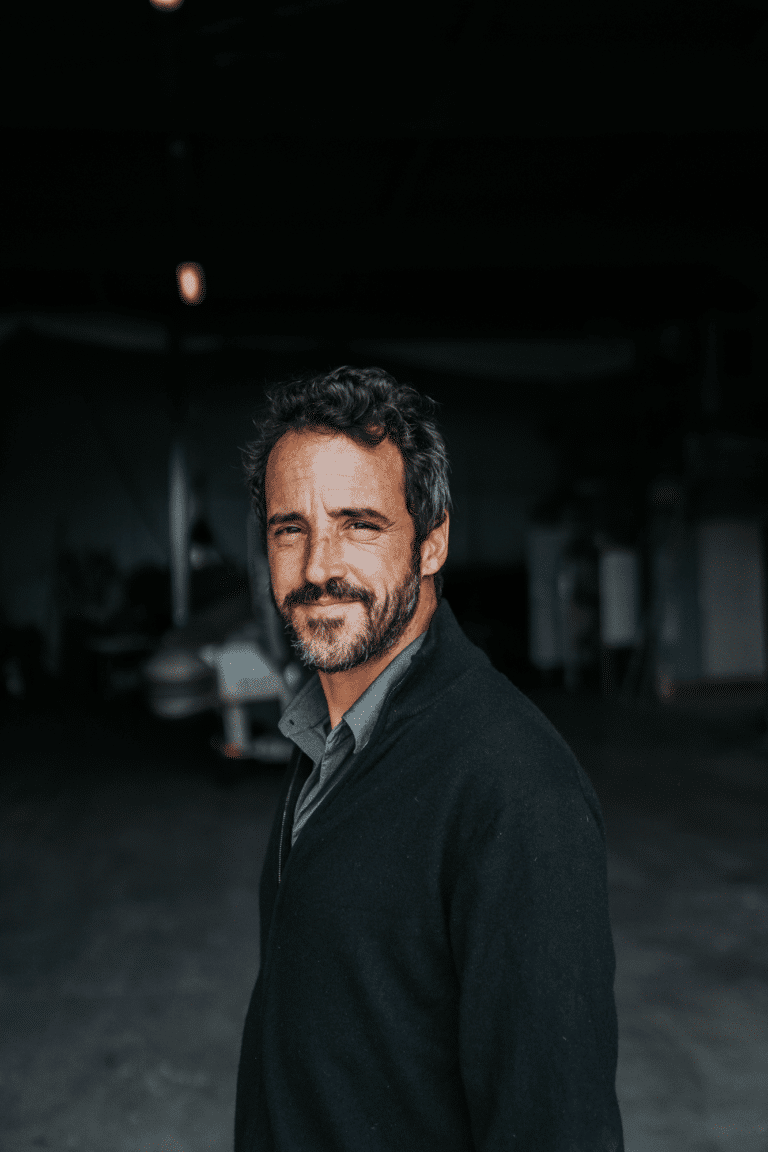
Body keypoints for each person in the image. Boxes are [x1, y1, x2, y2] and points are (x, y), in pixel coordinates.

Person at [235, 366, 624, 1152]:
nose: (317, 567)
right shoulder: (325, 737)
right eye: (290, 529)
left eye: (359, 525)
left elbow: (556, 1126)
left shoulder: (515, 792)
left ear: (432, 541)